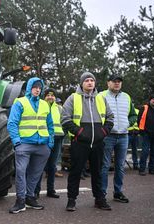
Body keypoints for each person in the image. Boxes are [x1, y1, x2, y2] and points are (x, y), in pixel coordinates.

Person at [61, 72, 114, 212]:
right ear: (81, 83)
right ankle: (71, 200)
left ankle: (99, 199)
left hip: (98, 142)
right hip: (80, 142)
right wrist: (79, 132)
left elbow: (110, 118)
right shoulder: (73, 98)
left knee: (98, 172)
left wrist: (102, 133)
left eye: (92, 80)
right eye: (87, 80)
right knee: (75, 172)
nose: (90, 82)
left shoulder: (101, 99)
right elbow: (65, 119)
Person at [7, 77, 54, 214]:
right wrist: (16, 142)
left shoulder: (45, 104)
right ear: (29, 88)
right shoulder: (20, 102)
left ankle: (30, 198)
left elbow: (50, 125)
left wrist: (50, 142)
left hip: (42, 145)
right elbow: (12, 123)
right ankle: (20, 201)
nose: (37, 90)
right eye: (35, 87)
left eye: (39, 87)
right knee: (21, 173)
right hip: (24, 144)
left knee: (35, 174)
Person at [99, 74, 137, 204]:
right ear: (108, 83)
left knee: (120, 166)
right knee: (104, 165)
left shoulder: (126, 97)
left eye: (119, 82)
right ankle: (102, 194)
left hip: (123, 136)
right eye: (114, 81)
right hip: (107, 136)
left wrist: (128, 123)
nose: (117, 84)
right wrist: (103, 129)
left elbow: (133, 115)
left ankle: (118, 192)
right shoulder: (101, 96)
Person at [34, 88, 65, 199]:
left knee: (52, 166)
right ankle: (36, 191)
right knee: (40, 166)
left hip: (57, 138)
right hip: (44, 138)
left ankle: (50, 190)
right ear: (44, 97)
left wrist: (63, 134)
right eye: (48, 95)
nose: (50, 97)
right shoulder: (40, 106)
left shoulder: (60, 108)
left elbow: (64, 121)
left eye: (52, 95)